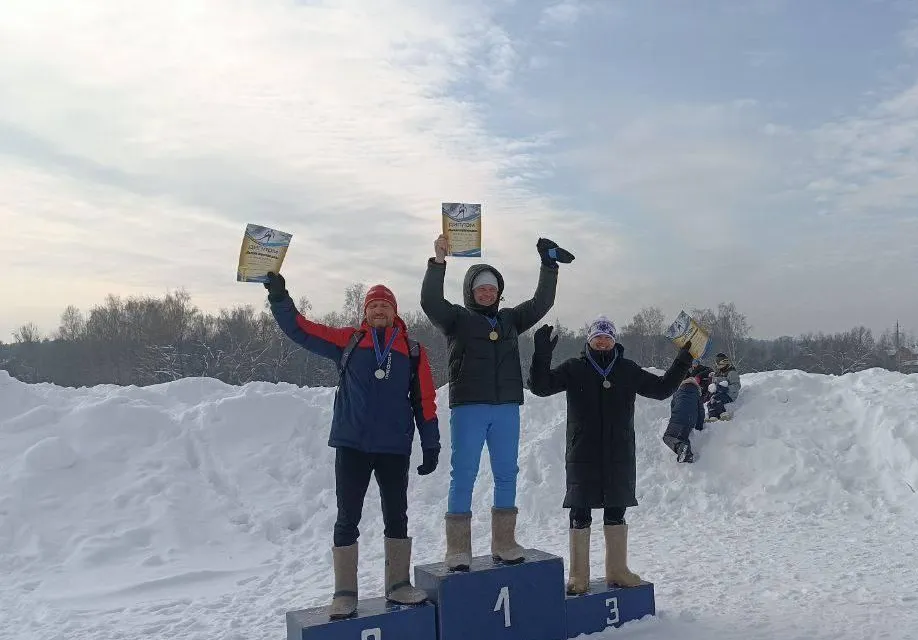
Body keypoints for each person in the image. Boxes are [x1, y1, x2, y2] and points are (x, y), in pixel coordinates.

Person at [265, 272, 440, 619]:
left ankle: (398, 584)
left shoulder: (413, 350)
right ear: (365, 311)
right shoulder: (347, 341)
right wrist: (279, 297)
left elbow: (425, 399)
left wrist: (430, 443)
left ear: (394, 312)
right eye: (373, 305)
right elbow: (300, 328)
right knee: (348, 517)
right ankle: (344, 592)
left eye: (384, 305)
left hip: (393, 447)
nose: (379, 310)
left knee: (397, 516)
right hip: (353, 444)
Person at [420, 234, 573, 571]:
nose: (487, 293)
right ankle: (458, 548)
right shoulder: (456, 319)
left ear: (499, 292)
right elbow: (431, 302)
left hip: (506, 408)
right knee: (464, 475)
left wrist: (548, 266)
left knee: (507, 473)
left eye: (492, 288)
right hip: (469, 407)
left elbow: (540, 303)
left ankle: (504, 541)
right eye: (480, 289)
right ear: (471, 292)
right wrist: (439, 262)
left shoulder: (509, 320)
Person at [527, 316, 693, 594]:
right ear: (589, 340)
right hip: (583, 453)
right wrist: (542, 354)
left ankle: (617, 570)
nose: (602, 341)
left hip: (619, 453)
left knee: (616, 510)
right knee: (580, 512)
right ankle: (578, 576)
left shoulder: (627, 370)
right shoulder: (575, 368)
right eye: (597, 337)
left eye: (607, 337)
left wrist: (684, 359)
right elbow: (540, 387)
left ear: (614, 340)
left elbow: (662, 389)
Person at [663, 375, 703, 463]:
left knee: (667, 437)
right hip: (690, 420)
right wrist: (699, 426)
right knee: (683, 438)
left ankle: (680, 447)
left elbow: (673, 406)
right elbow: (701, 411)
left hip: (677, 418)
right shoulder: (696, 394)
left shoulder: (678, 391)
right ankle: (688, 458)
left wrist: (673, 417)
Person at [707, 351, 741, 421]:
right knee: (711, 401)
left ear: (723, 363)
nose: (717, 366)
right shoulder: (720, 371)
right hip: (721, 393)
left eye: (718, 364)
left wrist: (725, 388)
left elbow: (737, 386)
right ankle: (713, 416)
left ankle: (723, 414)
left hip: (730, 394)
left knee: (717, 399)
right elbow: (717, 380)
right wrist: (713, 378)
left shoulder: (731, 372)